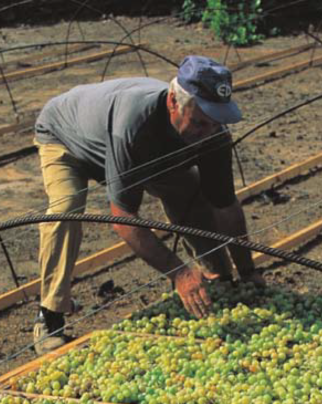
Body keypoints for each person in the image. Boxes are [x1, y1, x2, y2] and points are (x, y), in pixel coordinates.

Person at [31, 54, 259, 354]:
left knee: (190, 194)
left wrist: (248, 273)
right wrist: (178, 273)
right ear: (173, 104)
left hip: (141, 152)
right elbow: (124, 218)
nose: (208, 132)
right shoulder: (134, 126)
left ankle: (218, 279)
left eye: (216, 123)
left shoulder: (211, 134)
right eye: (200, 122)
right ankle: (50, 317)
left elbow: (225, 206)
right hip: (67, 137)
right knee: (67, 206)